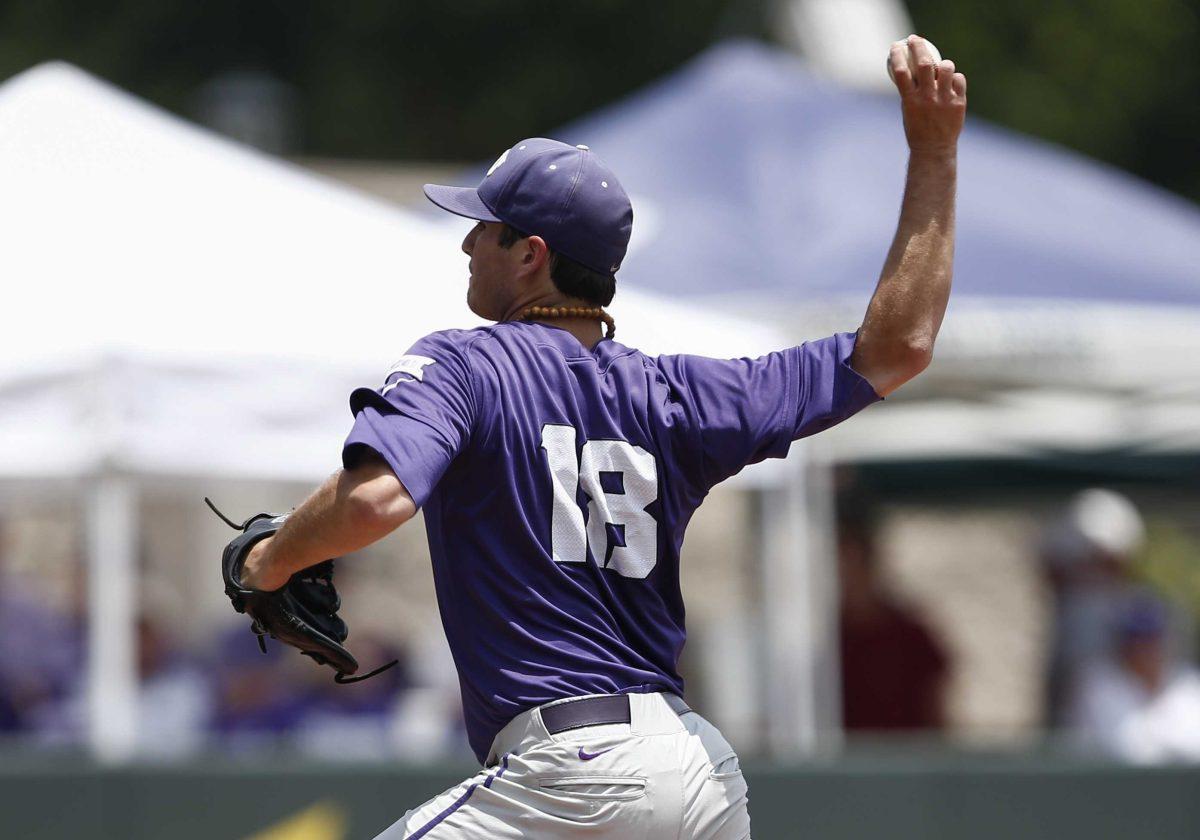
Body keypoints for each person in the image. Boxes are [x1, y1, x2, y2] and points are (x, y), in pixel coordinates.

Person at [237, 35, 965, 839]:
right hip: (698, 776)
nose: (468, 242)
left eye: (487, 227)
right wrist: (934, 152)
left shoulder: (466, 365)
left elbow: (376, 498)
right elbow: (899, 349)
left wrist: (271, 560)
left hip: (571, 775)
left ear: (531, 257)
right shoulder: (680, 393)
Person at [837, 496, 949, 732]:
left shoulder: (909, 634)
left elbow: (935, 706)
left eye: (853, 565)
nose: (847, 577)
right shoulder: (831, 640)